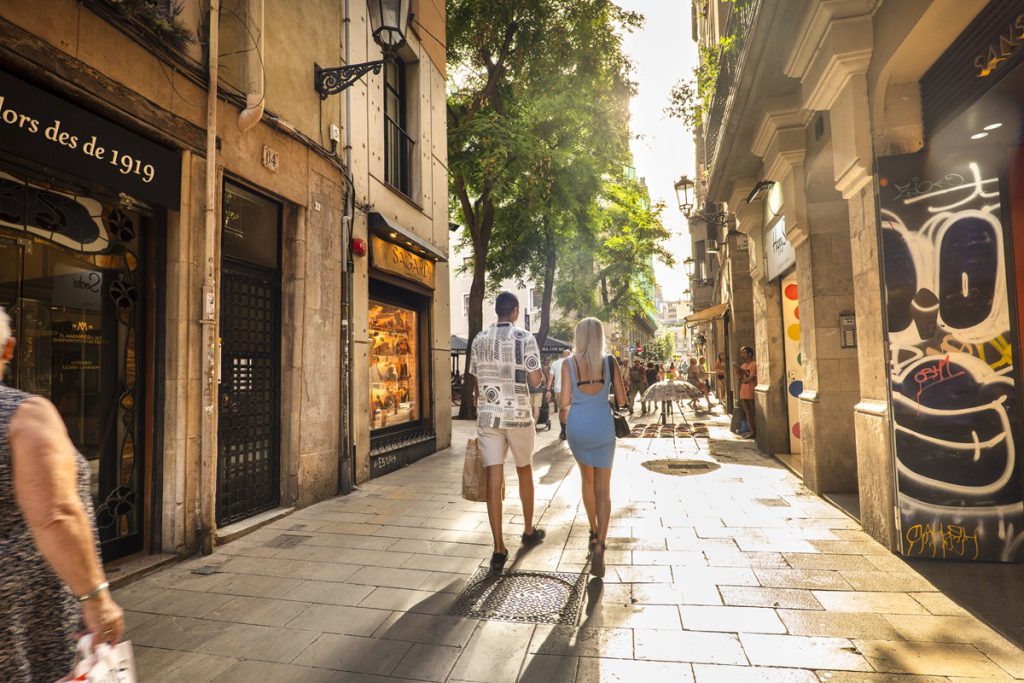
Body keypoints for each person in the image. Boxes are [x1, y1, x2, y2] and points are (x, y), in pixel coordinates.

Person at [0, 306, 124, 680]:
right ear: (8, 349)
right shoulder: (25, 415)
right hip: (19, 615)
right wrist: (96, 599)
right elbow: (56, 515)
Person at [469, 292, 546, 571]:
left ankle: (498, 548)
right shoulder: (525, 338)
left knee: (494, 476)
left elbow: (477, 382)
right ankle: (527, 529)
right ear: (514, 311)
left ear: (496, 311)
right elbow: (535, 378)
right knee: (524, 468)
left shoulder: (479, 339)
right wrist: (540, 380)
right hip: (517, 415)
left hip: (489, 415)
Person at [559, 318, 626, 579]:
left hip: (578, 427)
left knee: (586, 480)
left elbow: (564, 401)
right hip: (602, 427)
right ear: (599, 336)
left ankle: (593, 530)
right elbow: (621, 399)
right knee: (603, 488)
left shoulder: (569, 363)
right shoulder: (610, 361)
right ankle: (601, 544)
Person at [546, 349, 572, 440]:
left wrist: (548, 390)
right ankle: (569, 430)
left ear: (562, 354)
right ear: (570, 354)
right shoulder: (572, 362)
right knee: (571, 411)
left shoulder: (555, 364)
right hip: (571, 390)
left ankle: (563, 431)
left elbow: (550, 378)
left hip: (558, 390)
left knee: (562, 410)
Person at [737, 345, 757, 439]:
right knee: (747, 412)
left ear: (750, 354)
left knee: (753, 412)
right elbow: (740, 379)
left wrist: (743, 380)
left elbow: (750, 378)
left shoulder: (754, 364)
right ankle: (751, 431)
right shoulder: (743, 366)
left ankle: (755, 431)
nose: (742, 355)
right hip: (743, 391)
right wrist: (741, 378)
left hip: (751, 390)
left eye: (744, 353)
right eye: (742, 353)